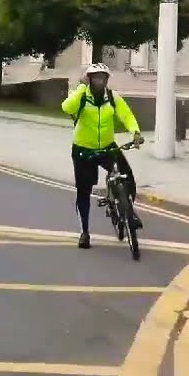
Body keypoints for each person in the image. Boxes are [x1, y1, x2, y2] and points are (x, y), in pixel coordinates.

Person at [61, 63, 145, 248]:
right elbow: (66, 107)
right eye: (96, 78)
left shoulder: (113, 98)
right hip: (84, 150)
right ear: (89, 80)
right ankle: (84, 232)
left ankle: (129, 212)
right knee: (84, 191)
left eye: (103, 78)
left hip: (107, 147)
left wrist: (135, 132)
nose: (100, 81)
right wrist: (81, 87)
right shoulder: (82, 95)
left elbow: (127, 115)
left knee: (128, 177)